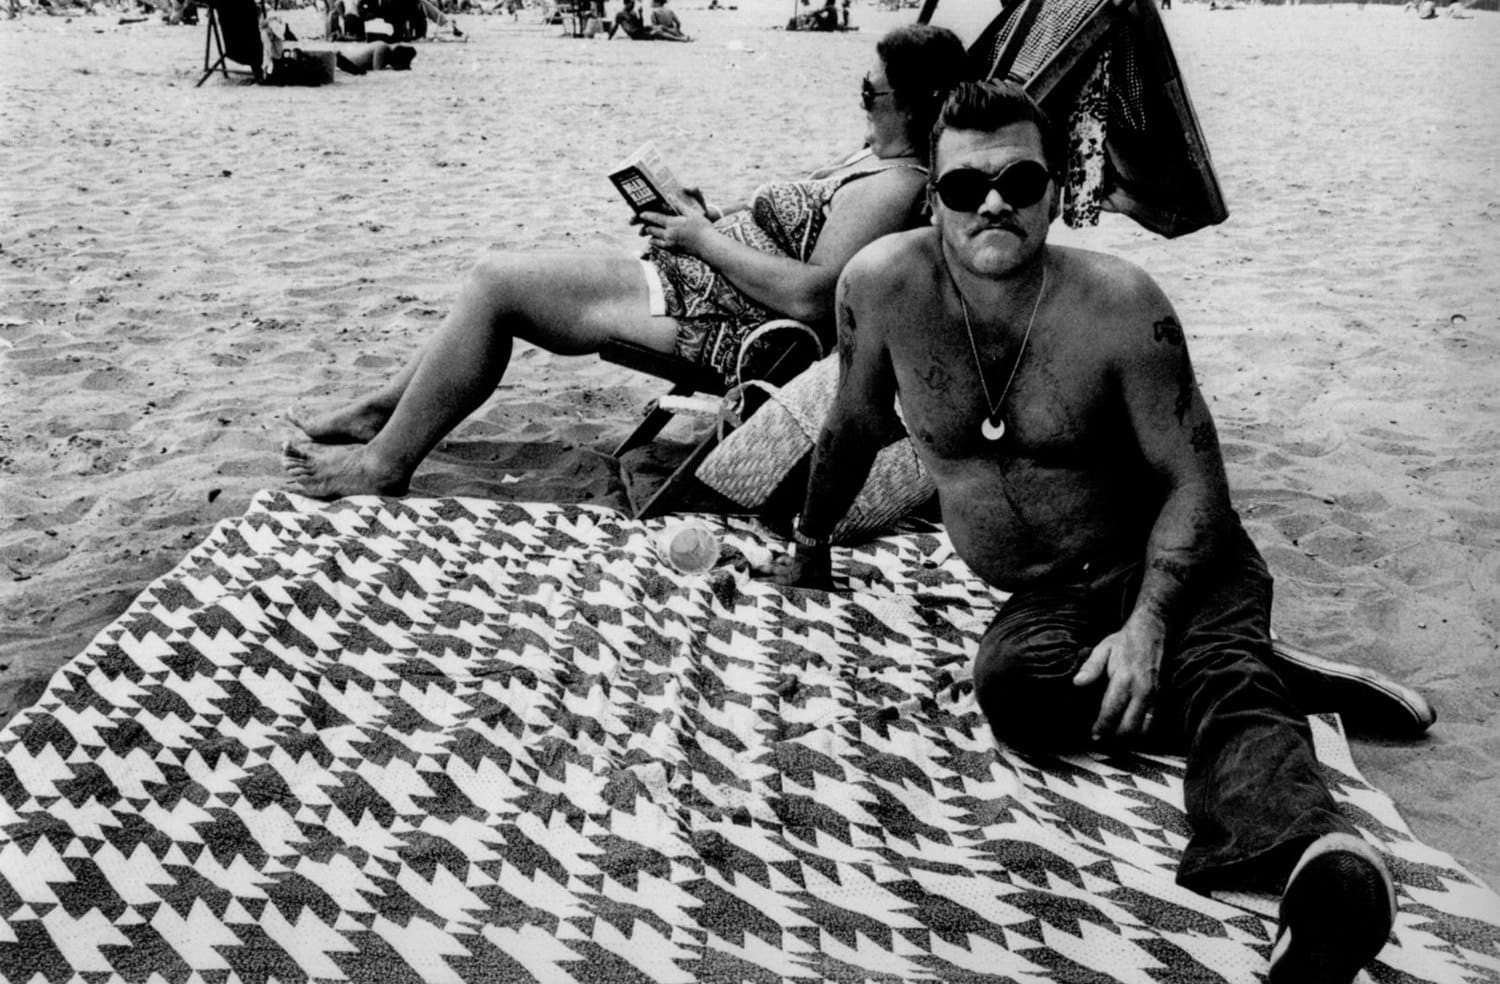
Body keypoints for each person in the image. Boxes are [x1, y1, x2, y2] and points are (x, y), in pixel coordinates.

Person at [773, 80, 1397, 984]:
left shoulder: (1117, 307)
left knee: (1220, 682)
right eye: (962, 187)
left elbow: (1197, 486)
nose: (992, 202)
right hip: (1051, 591)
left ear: (1056, 192)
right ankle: (1260, 673)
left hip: (1173, 561)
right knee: (1010, 691)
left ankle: (1318, 877)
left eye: (1019, 182)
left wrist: (1147, 626)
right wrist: (810, 543)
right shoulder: (882, 292)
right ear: (930, 197)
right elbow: (852, 425)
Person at [281, 24, 970, 499]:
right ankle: (381, 413)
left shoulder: (896, 185)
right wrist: (701, 212)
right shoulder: (873, 161)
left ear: (913, 104)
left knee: (497, 285)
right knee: (496, 279)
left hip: (721, 321)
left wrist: (701, 239)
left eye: (870, 92)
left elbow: (815, 299)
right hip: (696, 285)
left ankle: (384, 463)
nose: (861, 100)